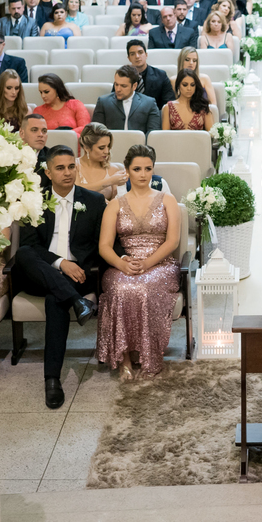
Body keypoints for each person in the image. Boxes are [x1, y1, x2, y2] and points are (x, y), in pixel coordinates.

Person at [12, 147, 106, 407]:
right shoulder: (34, 201)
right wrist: (60, 262)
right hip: (41, 273)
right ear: (48, 173)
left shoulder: (94, 201)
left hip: (78, 276)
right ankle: (78, 302)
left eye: (71, 167)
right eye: (60, 168)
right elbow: (30, 246)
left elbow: (100, 245)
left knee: (56, 299)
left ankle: (52, 380)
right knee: (24, 253)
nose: (67, 173)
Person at [96, 144, 180, 380]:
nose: (143, 174)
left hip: (160, 264)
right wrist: (122, 264)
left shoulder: (168, 200)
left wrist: (148, 263)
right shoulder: (115, 204)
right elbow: (104, 246)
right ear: (127, 171)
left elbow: (173, 241)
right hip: (124, 264)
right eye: (137, 169)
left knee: (143, 288)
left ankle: (149, 355)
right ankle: (124, 358)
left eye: (148, 169)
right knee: (121, 288)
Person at [92, 65, 161, 136]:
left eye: (123, 86)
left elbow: (153, 134)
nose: (118, 89)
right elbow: (96, 133)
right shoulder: (103, 102)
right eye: (116, 84)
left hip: (139, 142)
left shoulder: (149, 103)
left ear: (134, 86)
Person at [75, 123, 127, 202]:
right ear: (86, 147)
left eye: (108, 146)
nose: (106, 151)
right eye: (101, 148)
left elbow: (120, 204)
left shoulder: (113, 170)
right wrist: (110, 181)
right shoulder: (73, 166)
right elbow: (76, 192)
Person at [127, 40, 174, 109]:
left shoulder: (161, 75)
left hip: (155, 113)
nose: (137, 56)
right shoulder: (123, 76)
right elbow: (115, 100)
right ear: (129, 58)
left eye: (140, 52)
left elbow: (168, 102)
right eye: (132, 54)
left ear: (146, 55)